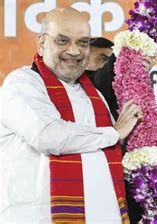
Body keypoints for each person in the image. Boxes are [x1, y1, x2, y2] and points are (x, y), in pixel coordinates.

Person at [0, 7, 142, 223]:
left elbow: (109, 152)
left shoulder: (94, 95)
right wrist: (113, 133)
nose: (74, 51)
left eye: (83, 42)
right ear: (41, 43)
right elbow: (48, 136)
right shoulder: (21, 83)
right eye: (63, 41)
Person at [88, 2, 157, 223]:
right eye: (102, 60)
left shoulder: (125, 92)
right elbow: (118, 65)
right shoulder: (83, 88)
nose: (110, 67)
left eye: (109, 59)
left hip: (130, 193)